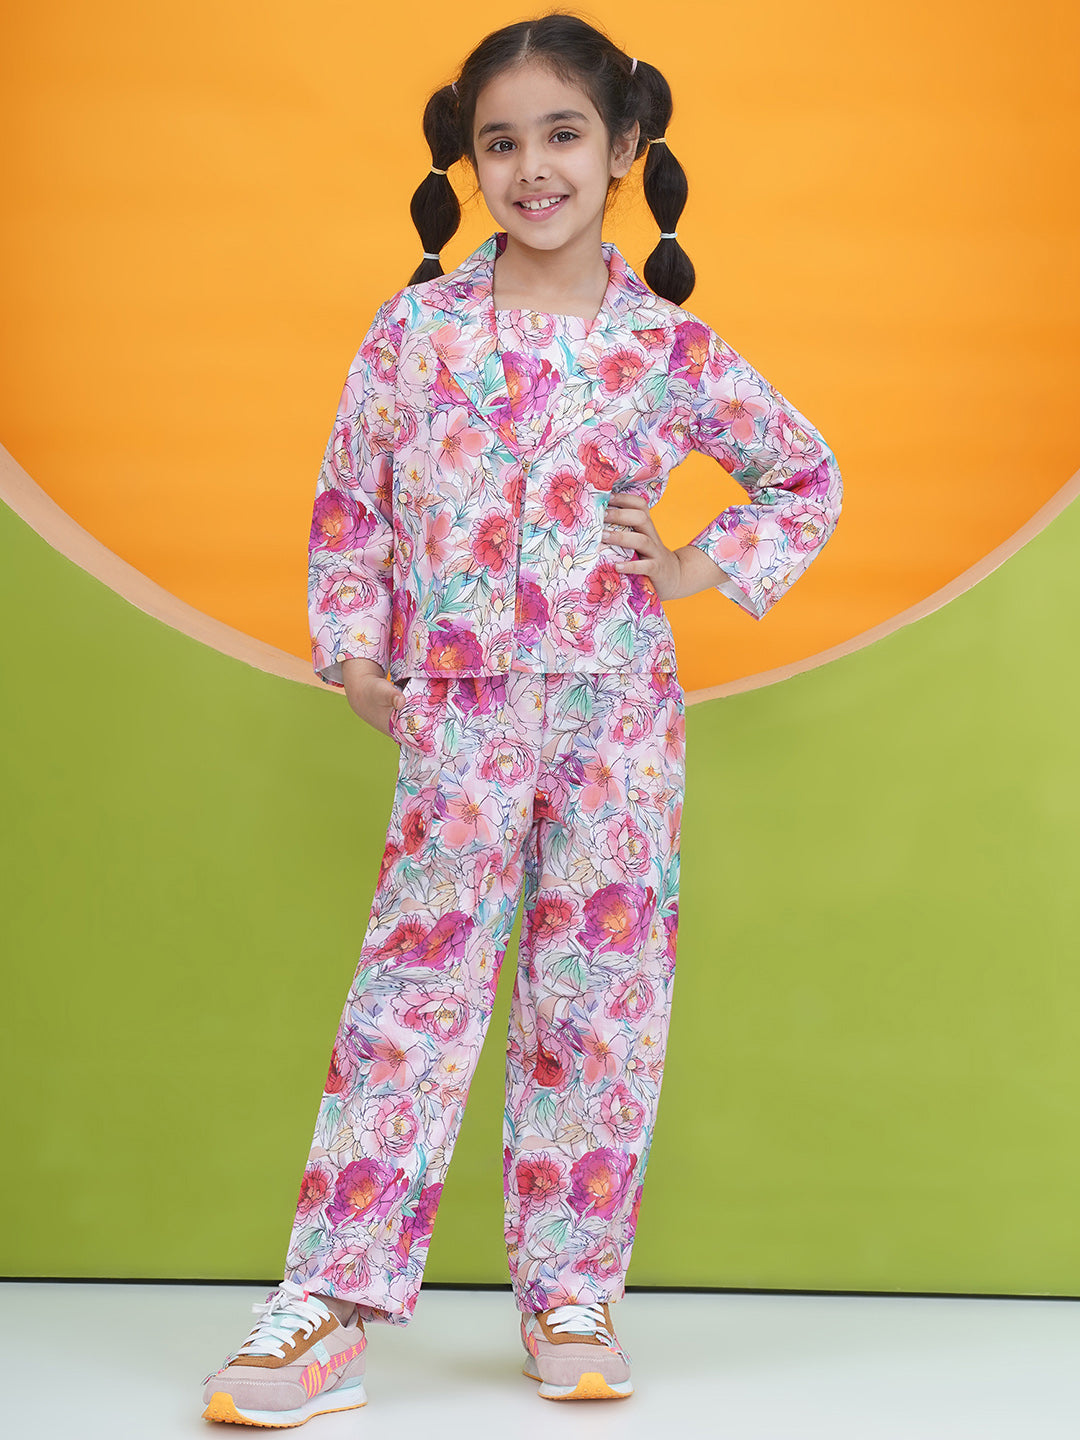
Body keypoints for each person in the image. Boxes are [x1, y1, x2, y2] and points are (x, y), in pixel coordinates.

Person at [201, 11, 843, 1426]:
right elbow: (351, 503)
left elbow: (805, 476)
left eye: (563, 135)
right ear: (469, 162)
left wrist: (692, 565)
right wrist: (352, 654)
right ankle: (326, 1307)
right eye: (502, 142)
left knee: (599, 999)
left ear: (624, 150)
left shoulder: (668, 348)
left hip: (618, 716)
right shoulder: (417, 331)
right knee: (412, 997)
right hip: (459, 714)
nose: (532, 167)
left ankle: (571, 1290)